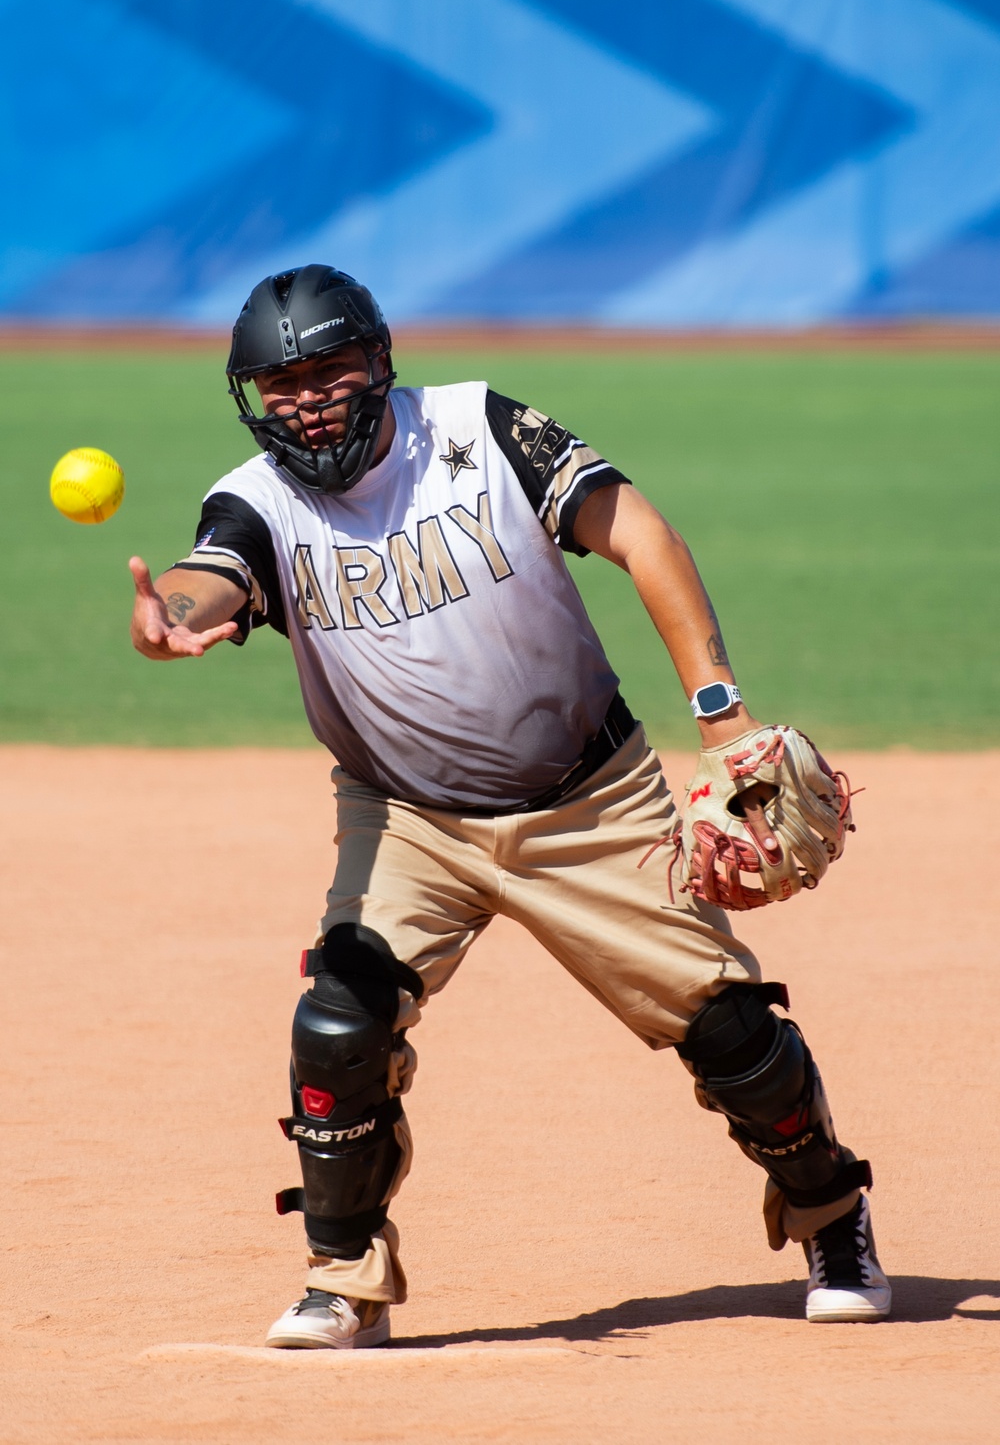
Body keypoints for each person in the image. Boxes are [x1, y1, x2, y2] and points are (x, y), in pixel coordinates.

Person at [129, 264, 890, 1349]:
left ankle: (830, 1214)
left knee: (729, 1033)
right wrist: (171, 613)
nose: (305, 399)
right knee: (339, 1027)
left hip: (590, 802)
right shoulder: (257, 499)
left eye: (328, 370)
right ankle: (344, 1275)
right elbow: (214, 574)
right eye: (278, 384)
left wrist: (721, 719)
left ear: (379, 361)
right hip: (405, 823)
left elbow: (641, 535)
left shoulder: (475, 429)